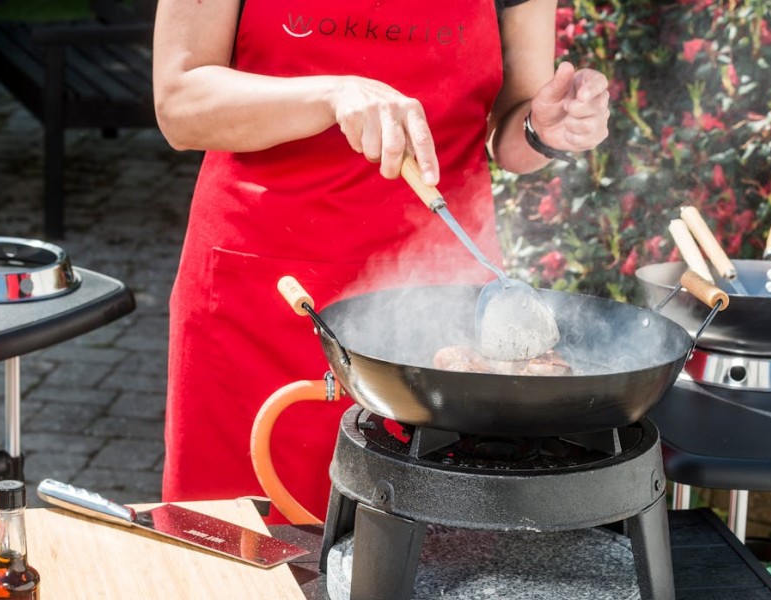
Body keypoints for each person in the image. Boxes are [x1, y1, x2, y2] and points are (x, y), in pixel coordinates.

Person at [152, 0, 611, 521]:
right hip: (263, 289)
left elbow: (510, 127)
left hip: (438, 312)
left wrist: (542, 129)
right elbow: (179, 104)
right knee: (236, 549)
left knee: (424, 556)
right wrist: (331, 93)